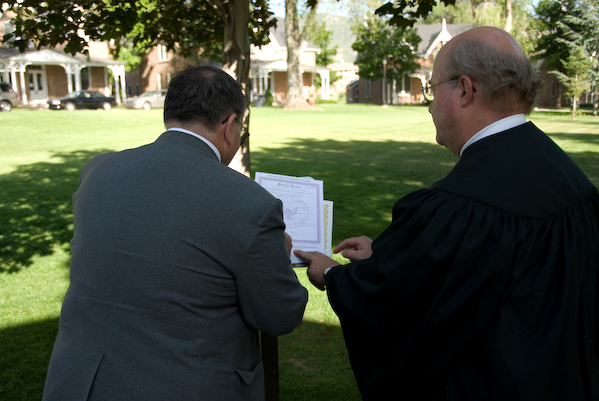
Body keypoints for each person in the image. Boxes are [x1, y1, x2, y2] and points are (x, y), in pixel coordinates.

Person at [295, 27, 599, 400]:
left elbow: (396, 310)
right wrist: (388, 257)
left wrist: (332, 275)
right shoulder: (570, 179)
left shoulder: (463, 205)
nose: (429, 104)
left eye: (432, 89)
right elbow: (484, 276)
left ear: (465, 90)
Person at [42, 66, 308, 401]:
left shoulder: (97, 171)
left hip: (81, 383)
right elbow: (280, 315)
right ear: (229, 126)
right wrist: (279, 254)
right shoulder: (252, 204)